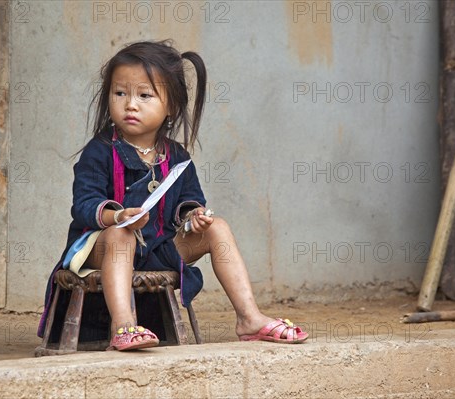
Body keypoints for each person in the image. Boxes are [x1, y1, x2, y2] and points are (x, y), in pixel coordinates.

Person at [38, 39, 308, 351]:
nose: (130, 104)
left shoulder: (177, 156)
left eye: (144, 95)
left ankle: (249, 317)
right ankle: (123, 324)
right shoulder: (100, 151)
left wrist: (195, 217)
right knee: (121, 236)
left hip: (157, 249)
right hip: (103, 247)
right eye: (120, 93)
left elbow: (190, 199)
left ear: (172, 107)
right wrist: (118, 216)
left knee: (218, 227)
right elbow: (83, 206)